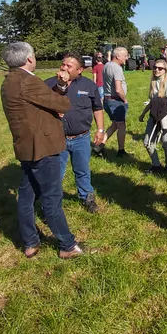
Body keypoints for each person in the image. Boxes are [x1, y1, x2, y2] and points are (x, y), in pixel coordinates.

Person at [0, 42, 85, 259]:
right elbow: (63, 105)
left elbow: (37, 105)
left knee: (26, 197)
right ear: (29, 59)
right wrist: (63, 91)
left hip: (26, 147)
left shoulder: (9, 81)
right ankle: (67, 245)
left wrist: (57, 93)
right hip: (43, 148)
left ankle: (30, 243)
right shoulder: (28, 81)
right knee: (51, 198)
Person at [44, 53, 104, 214]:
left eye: (69, 66)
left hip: (81, 138)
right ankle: (51, 205)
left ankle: (87, 198)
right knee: (56, 173)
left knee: (82, 170)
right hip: (57, 138)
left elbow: (97, 108)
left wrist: (100, 130)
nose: (64, 68)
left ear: (80, 70)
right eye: (63, 64)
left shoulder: (89, 85)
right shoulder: (48, 84)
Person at [139, 58, 167, 173]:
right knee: (147, 142)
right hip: (154, 116)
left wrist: (162, 108)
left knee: (165, 142)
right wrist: (143, 114)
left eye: (160, 68)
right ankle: (156, 165)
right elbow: (152, 102)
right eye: (155, 67)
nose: (157, 70)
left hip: (165, 116)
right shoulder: (153, 83)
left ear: (165, 70)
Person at [103, 47, 129, 157]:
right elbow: (118, 89)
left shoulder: (107, 65)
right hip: (116, 101)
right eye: (125, 56)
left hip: (107, 100)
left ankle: (99, 144)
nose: (127, 58)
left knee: (115, 124)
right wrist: (124, 99)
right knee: (121, 126)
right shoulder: (117, 68)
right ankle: (121, 151)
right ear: (118, 56)